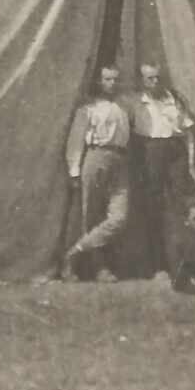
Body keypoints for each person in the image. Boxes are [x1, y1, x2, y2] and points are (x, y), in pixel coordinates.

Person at [62, 65, 131, 282]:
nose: (112, 84)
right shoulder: (88, 109)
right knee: (89, 217)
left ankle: (73, 252)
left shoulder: (125, 107)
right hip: (96, 157)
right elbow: (75, 142)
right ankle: (95, 268)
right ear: (99, 82)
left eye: (116, 80)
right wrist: (74, 171)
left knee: (119, 217)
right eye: (108, 80)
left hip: (120, 160)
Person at [128, 63, 195, 274]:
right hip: (150, 151)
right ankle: (158, 265)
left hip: (176, 151)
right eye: (149, 78)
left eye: (157, 77)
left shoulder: (174, 99)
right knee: (153, 207)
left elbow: (188, 132)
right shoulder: (135, 102)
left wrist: (191, 163)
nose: (154, 82)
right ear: (141, 80)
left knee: (181, 205)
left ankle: (185, 262)